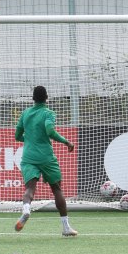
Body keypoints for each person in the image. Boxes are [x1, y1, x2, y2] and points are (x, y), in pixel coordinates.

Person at [14, 85, 77, 237]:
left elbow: (17, 136)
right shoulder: (48, 113)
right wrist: (66, 142)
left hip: (29, 157)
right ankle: (66, 227)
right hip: (46, 157)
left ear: (33, 98)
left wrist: (30, 139)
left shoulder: (25, 113)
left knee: (29, 189)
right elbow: (50, 131)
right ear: (46, 98)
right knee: (57, 189)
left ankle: (26, 209)